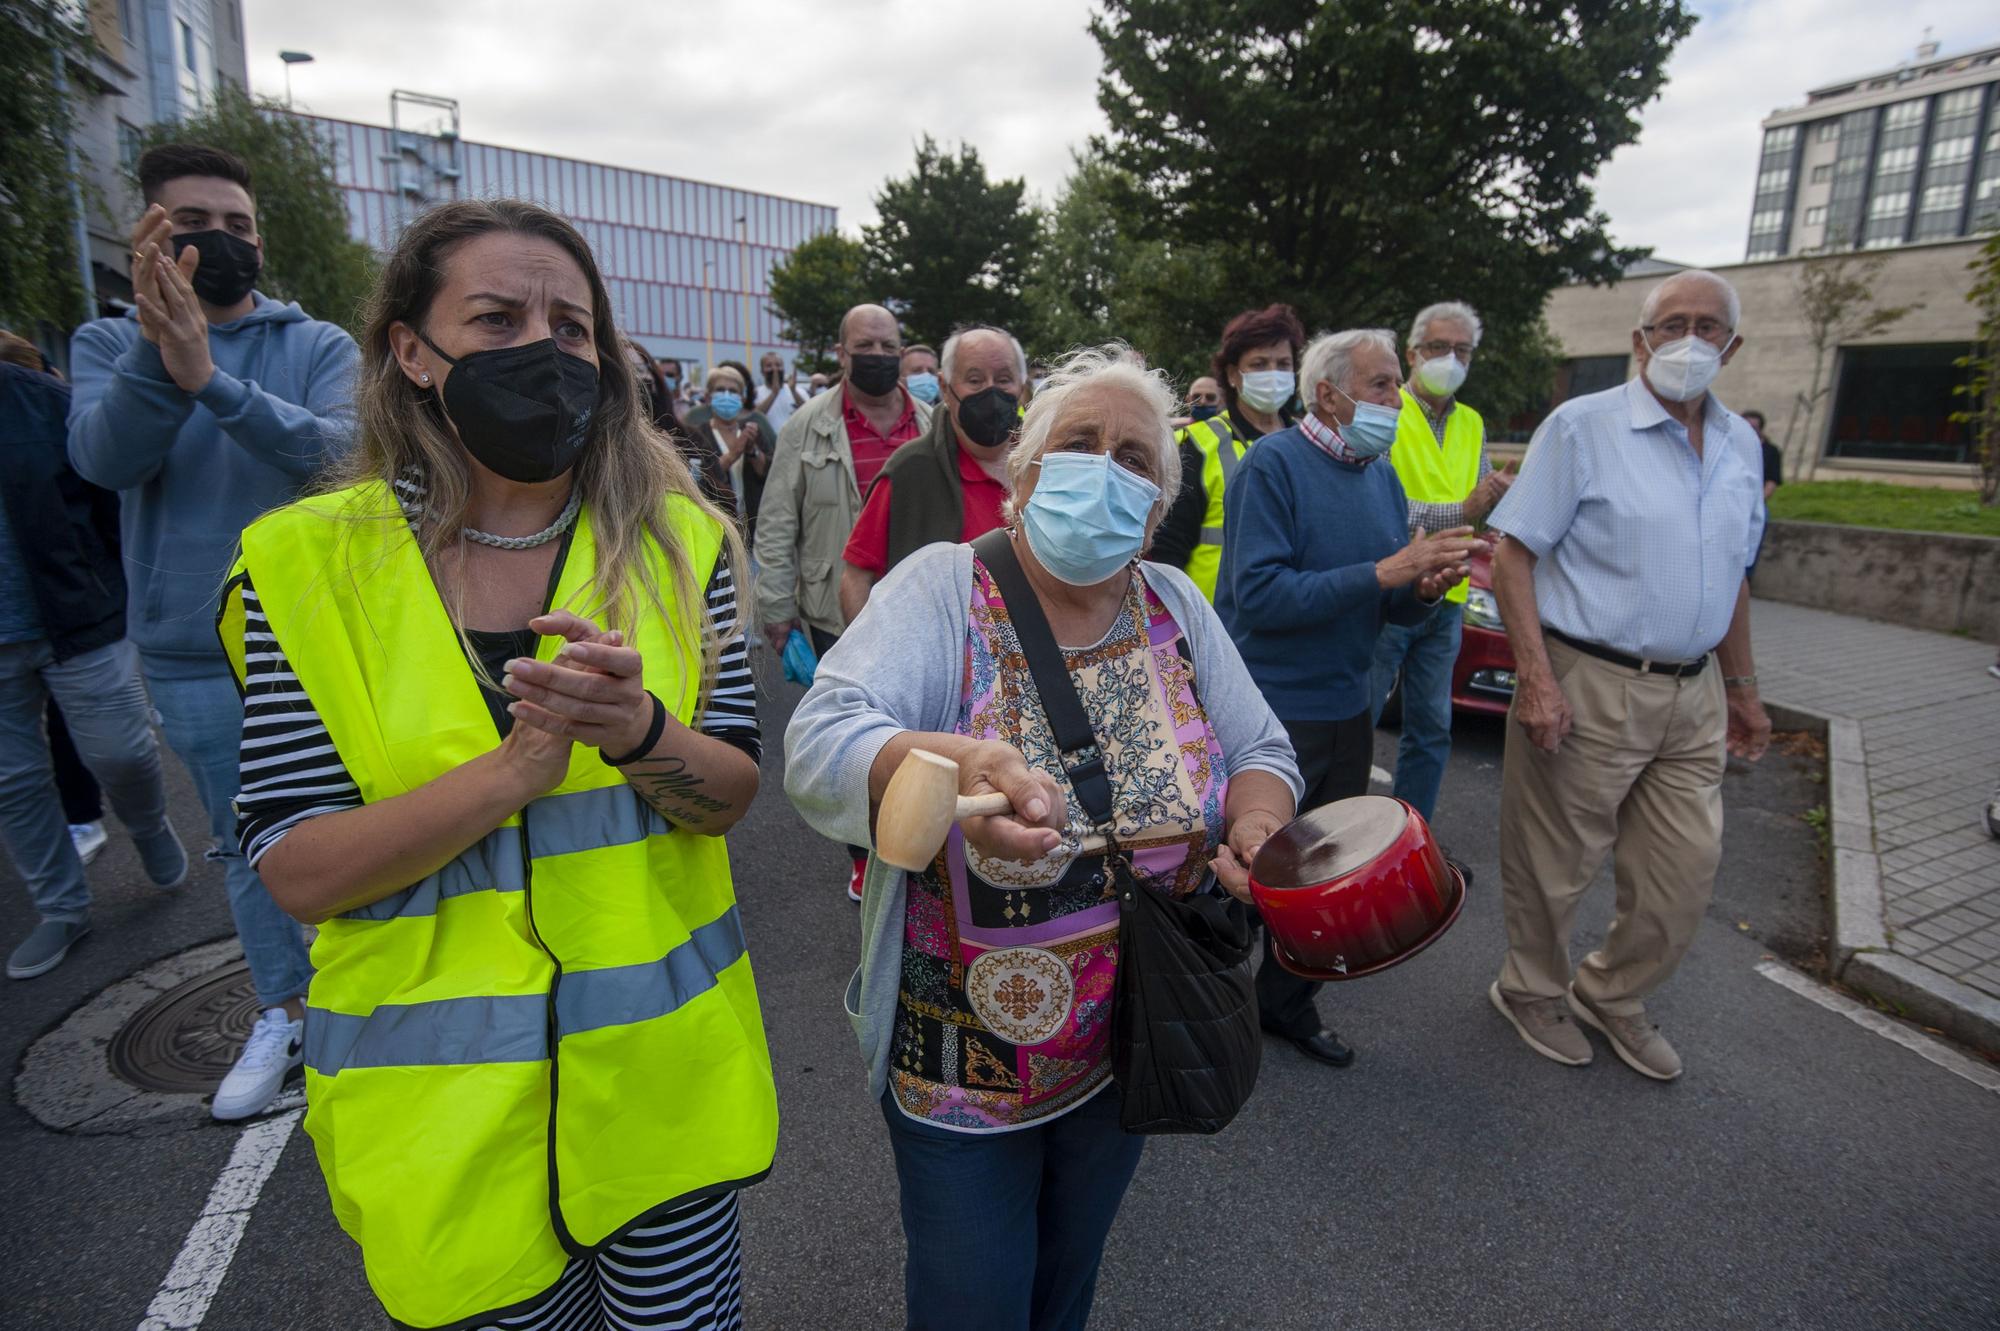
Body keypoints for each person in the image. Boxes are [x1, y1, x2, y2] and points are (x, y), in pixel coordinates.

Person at [221, 199, 777, 1330]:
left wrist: (637, 735)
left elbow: (726, 796)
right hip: (443, 1122)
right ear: (412, 351)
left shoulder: (680, 543)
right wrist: (508, 775)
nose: (543, 347)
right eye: (497, 317)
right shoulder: (308, 566)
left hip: (661, 1104)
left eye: (571, 326)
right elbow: (299, 869)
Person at [785, 345, 1301, 1331]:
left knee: (1067, 1281)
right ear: (1020, 474)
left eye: (1135, 459)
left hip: (1127, 1035)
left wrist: (1255, 819)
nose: (1104, 468)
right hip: (961, 1067)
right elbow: (819, 742)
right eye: (1078, 442)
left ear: (1156, 512)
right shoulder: (944, 589)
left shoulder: (1174, 605)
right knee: (971, 1299)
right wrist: (950, 761)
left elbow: (1260, 746)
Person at [66, 143, 356, 1119]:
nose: (218, 242)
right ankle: (282, 1012)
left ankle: (359, 1003)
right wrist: (165, 357)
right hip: (191, 648)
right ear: (151, 234)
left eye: (236, 225)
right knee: (248, 844)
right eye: (193, 224)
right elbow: (105, 458)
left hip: (319, 634)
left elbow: (339, 451)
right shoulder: (107, 348)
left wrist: (214, 380)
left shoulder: (315, 344)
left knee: (347, 825)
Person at [1485, 269, 1771, 1083]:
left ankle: (1612, 992)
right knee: (1555, 859)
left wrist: (1745, 688)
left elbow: (1736, 571)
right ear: (1640, 340)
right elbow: (1512, 555)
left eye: (1707, 326)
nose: (1688, 340)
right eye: (1670, 323)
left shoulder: (1741, 444)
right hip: (1590, 676)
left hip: (1695, 688)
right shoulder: (1583, 426)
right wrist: (1536, 679)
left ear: (1732, 343)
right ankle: (1531, 987)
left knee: (1684, 872)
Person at [1217, 328, 1482, 1070]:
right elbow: (1260, 596)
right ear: (1328, 395)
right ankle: (1207, 1003)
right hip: (1273, 710)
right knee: (1250, 863)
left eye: (1396, 384)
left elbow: (1386, 605)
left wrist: (1421, 592)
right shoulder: (1272, 465)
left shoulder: (1381, 475)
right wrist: (1386, 570)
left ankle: (1284, 1002)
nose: (1398, 400)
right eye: (1382, 386)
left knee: (1321, 873)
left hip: (1348, 702)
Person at [2, 355, 187, 979]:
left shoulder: (37, 402)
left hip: (77, 617)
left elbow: (112, 507)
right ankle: (62, 908)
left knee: (124, 754)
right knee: (14, 782)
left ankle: (147, 824)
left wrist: (124, 594)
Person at [1369, 301, 1512, 829]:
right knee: (1356, 722)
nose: (1450, 359)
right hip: (1390, 592)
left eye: (1462, 350)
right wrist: (1465, 511)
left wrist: (1497, 503)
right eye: (1437, 348)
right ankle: (1338, 839)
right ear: (1412, 353)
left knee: (1431, 729)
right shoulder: (1382, 412)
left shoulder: (1472, 422)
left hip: (1448, 598)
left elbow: (1480, 501)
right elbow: (1381, 506)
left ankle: (1407, 839)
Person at [755, 302, 928, 661]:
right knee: (850, 715)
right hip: (835, 615)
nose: (877, 355)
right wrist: (777, 609)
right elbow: (776, 523)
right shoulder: (804, 428)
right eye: (864, 346)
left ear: (901, 353)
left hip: (924, 608)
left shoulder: (932, 424)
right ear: (841, 354)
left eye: (887, 347)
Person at [838, 325, 1025, 624]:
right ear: (945, 388)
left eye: (1004, 380)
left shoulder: (1045, 468)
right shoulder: (910, 472)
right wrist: (873, 659)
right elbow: (856, 577)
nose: (991, 392)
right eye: (974, 380)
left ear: (1022, 388)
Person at [1150, 304, 1306, 599]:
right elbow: (1166, 550)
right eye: (1260, 364)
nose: (1273, 374)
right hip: (1216, 624)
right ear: (1233, 375)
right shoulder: (1197, 444)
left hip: (1297, 613)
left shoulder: (1307, 442)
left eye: (1283, 364)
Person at [682, 361, 774, 527]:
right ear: (708, 397)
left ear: (742, 397)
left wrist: (752, 450)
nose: (726, 396)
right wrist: (732, 455)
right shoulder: (698, 435)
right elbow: (698, 480)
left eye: (733, 391)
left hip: (753, 527)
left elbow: (767, 474)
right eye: (720, 390)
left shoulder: (753, 431)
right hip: (714, 524)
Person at [758, 349, 806, 433]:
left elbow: (810, 413)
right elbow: (755, 417)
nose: (774, 369)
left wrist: (794, 392)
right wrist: (774, 394)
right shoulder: (756, 393)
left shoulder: (798, 391)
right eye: (769, 366)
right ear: (762, 371)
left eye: (778, 365)